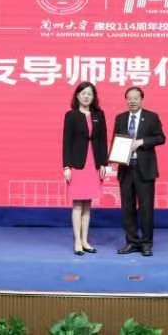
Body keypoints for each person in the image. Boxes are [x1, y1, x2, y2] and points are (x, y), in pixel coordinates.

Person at [113, 87, 165, 257]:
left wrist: (141, 142)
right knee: (127, 207)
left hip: (145, 169)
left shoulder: (151, 117)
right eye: (129, 98)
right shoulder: (120, 118)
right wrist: (113, 157)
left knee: (146, 208)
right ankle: (132, 242)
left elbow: (160, 138)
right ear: (126, 100)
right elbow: (116, 140)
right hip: (126, 169)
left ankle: (146, 243)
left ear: (142, 99)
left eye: (135, 98)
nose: (132, 101)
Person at [62, 82, 108, 256]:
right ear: (77, 96)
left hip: (93, 163)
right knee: (77, 204)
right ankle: (77, 242)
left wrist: (103, 163)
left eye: (89, 93)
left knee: (88, 205)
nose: (86, 96)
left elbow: (102, 140)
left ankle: (85, 240)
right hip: (77, 163)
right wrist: (66, 166)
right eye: (83, 93)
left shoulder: (99, 115)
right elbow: (66, 142)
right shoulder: (71, 115)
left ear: (93, 97)